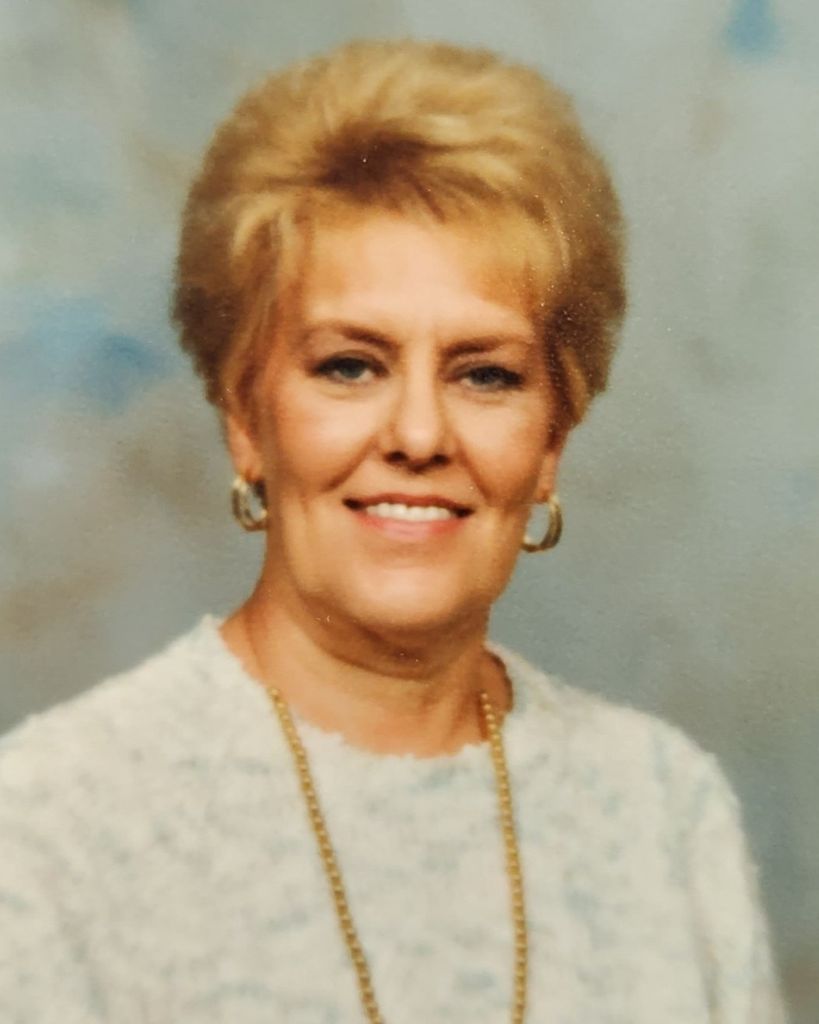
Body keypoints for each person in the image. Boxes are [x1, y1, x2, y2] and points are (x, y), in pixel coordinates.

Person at [0, 39, 785, 1024]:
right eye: (350, 365)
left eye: (485, 374)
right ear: (244, 417)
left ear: (551, 440)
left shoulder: (667, 808)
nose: (418, 435)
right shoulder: (49, 826)